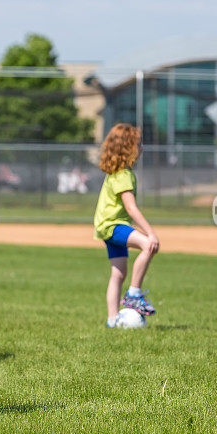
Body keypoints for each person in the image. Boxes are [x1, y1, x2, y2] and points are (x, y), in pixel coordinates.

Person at [93, 123, 159, 328]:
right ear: (127, 148)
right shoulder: (123, 175)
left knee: (118, 273)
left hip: (105, 226)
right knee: (149, 245)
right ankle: (133, 294)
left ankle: (112, 320)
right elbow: (131, 209)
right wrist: (151, 233)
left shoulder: (116, 172)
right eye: (139, 144)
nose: (142, 148)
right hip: (114, 225)